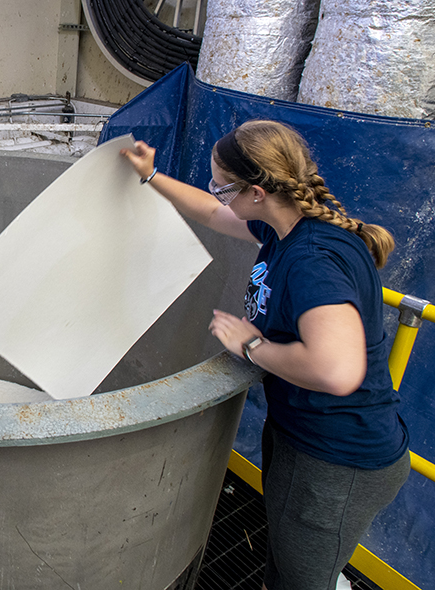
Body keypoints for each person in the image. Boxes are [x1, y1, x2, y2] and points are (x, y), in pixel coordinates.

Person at [121, 120, 410, 590]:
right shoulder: (288, 224)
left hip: (336, 461)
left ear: (257, 191)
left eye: (223, 186)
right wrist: (151, 176)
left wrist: (251, 345)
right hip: (306, 438)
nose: (216, 194)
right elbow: (215, 216)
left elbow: (336, 371)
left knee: (300, 581)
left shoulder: (312, 259)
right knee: (297, 567)